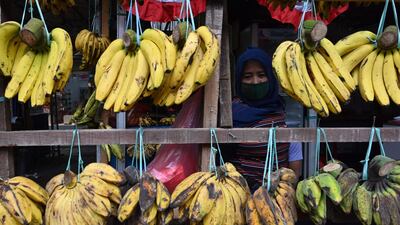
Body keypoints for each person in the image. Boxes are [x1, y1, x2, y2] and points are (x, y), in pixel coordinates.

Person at [223, 47, 303, 191]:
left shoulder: (280, 109)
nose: (255, 82)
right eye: (247, 76)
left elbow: (295, 170)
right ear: (239, 80)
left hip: (278, 196)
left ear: (271, 77)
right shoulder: (231, 115)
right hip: (239, 195)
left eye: (261, 75)